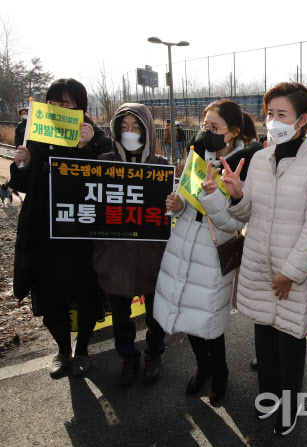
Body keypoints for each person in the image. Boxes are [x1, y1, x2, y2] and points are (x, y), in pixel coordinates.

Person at [221, 82, 307, 436]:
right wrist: (237, 196)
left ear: (302, 121)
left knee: (289, 346)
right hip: (257, 268)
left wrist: (291, 272)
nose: (273, 120)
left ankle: (289, 406)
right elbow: (246, 214)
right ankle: (268, 398)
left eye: (281, 114)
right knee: (264, 344)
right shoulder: (259, 158)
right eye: (269, 114)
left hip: (289, 276)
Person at [10, 78, 112, 378]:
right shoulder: (33, 133)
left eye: (66, 105)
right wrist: (21, 166)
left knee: (84, 292)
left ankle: (82, 350)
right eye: (53, 104)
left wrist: (83, 147)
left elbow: (102, 184)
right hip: (43, 229)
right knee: (48, 292)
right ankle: (61, 350)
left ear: (81, 108)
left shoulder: (97, 139)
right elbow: (22, 185)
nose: (58, 110)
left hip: (81, 231)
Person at [153, 99, 247, 406]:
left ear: (232, 132)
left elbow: (235, 221)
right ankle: (202, 367)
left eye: (215, 127)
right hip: (184, 244)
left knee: (210, 320)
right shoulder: (196, 155)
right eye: (205, 126)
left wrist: (212, 197)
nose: (207, 132)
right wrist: (176, 206)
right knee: (189, 313)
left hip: (213, 250)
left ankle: (220, 373)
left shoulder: (243, 165)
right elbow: (182, 198)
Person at [91, 103, 169, 386]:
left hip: (151, 255)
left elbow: (173, 211)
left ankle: (154, 353)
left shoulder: (161, 166)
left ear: (147, 131)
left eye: (136, 128)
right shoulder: (104, 161)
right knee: (120, 315)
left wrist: (177, 203)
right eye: (123, 128)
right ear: (113, 131)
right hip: (114, 255)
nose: (129, 133)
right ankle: (127, 356)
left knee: (154, 312)